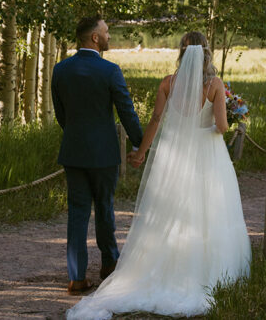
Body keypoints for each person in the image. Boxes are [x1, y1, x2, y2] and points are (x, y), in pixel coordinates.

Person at [67, 32, 251, 319]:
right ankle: (202, 270)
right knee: (207, 212)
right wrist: (226, 113)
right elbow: (222, 127)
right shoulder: (214, 84)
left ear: (181, 52)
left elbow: (155, 119)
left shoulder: (168, 82)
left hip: (172, 156)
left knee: (169, 211)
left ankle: (162, 267)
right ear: (206, 53)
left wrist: (141, 152)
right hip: (207, 155)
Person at [52, 16, 144, 295]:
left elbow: (61, 114)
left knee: (77, 214)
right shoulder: (110, 70)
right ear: (94, 38)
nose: (109, 37)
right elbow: (127, 112)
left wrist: (76, 136)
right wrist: (142, 144)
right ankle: (109, 266)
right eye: (106, 32)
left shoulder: (60, 70)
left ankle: (76, 277)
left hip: (73, 152)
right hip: (104, 153)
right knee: (104, 208)